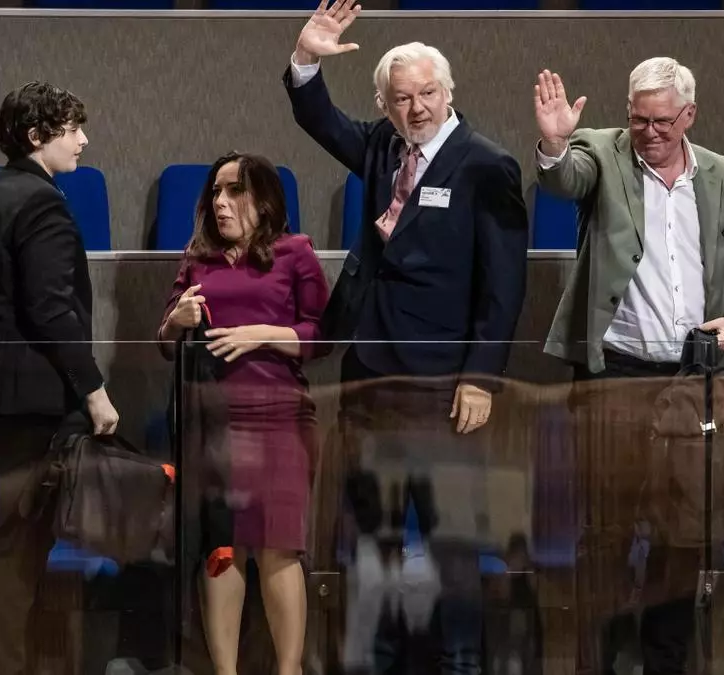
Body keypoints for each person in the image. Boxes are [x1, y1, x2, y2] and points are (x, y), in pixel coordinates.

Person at [284, 2, 528, 672]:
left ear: (449, 94)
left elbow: (504, 287)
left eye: (426, 94)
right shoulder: (382, 147)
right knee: (369, 540)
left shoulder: (487, 165)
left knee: (450, 542)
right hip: (368, 375)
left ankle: (459, 661)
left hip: (441, 387)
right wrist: (305, 59)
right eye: (401, 98)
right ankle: (373, 659)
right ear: (386, 105)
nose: (415, 108)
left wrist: (481, 376)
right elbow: (317, 117)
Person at [533, 58, 724, 674]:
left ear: (689, 115)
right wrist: (554, 143)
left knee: (683, 535)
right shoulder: (603, 152)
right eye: (638, 119)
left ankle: (664, 662)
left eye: (662, 121)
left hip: (693, 380)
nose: (650, 132)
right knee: (606, 532)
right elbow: (566, 178)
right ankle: (597, 662)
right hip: (615, 376)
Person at [0, 81, 120, 675]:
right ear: (37, 137)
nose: (83, 140)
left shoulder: (1, 193)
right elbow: (53, 309)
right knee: (19, 551)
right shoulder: (40, 201)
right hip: (33, 402)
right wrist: (95, 393)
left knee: (17, 547)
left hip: (5, 399)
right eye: (72, 129)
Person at [157, 152, 329, 675]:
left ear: (264, 200)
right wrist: (176, 321)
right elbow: (165, 342)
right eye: (215, 192)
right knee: (222, 546)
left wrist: (265, 335)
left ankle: (289, 669)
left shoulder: (295, 253)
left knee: (278, 545)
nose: (221, 203)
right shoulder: (198, 258)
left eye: (234, 192)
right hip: (212, 420)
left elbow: (323, 335)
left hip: (279, 415)